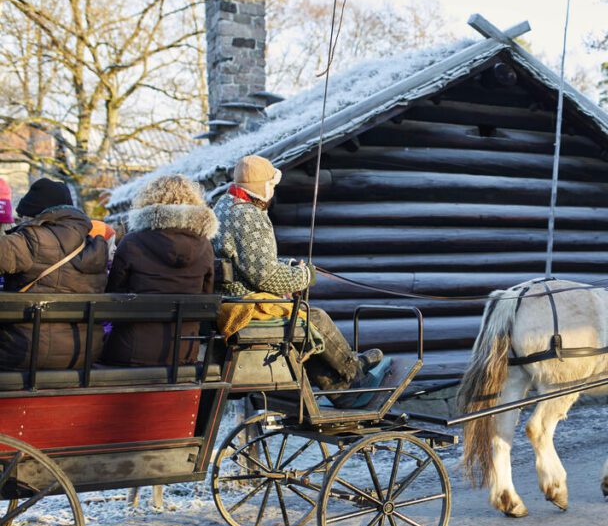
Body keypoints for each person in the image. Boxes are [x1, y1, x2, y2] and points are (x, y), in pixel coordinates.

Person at [212, 155, 384, 396]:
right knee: (314, 319)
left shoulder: (224, 204)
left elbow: (249, 261)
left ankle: (338, 386)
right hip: (246, 302)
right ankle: (353, 373)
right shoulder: (248, 216)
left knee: (304, 321)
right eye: (271, 185)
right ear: (263, 187)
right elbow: (266, 277)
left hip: (231, 296)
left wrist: (290, 265)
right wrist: (304, 276)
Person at [102, 175, 217, 366]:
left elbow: (113, 296)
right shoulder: (205, 246)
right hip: (184, 350)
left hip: (130, 349)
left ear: (148, 200)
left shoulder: (132, 242)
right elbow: (205, 296)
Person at [0, 178, 108, 369]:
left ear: (34, 215)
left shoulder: (30, 240)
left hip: (24, 352)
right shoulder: (95, 246)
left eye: (21, 218)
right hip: (83, 354)